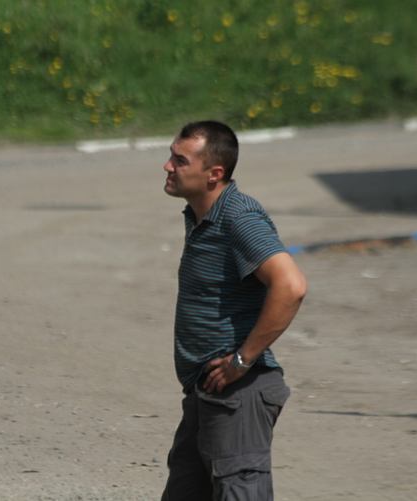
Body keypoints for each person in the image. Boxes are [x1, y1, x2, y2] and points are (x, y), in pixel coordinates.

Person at [161, 120, 307, 501]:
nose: (167, 166)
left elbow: (291, 285)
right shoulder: (202, 216)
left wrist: (242, 360)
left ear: (214, 174)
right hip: (207, 392)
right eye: (171, 156)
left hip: (238, 395)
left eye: (180, 160)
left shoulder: (238, 217)